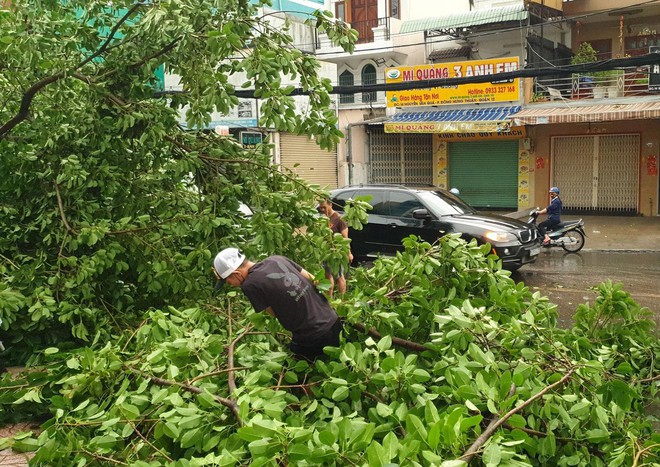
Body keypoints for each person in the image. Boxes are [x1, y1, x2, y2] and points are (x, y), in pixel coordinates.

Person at [212, 248, 342, 361]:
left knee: (303, 378)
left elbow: (274, 313)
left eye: (229, 282)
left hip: (311, 335)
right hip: (333, 319)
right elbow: (316, 280)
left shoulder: (249, 285)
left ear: (236, 274)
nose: (232, 285)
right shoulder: (277, 259)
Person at [317, 199, 353, 296]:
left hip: (337, 253)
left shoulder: (339, 219)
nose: (323, 209)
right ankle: (330, 300)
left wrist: (349, 253)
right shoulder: (324, 219)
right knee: (327, 275)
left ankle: (342, 299)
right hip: (327, 253)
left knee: (339, 276)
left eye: (324, 207)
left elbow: (345, 238)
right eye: (321, 208)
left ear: (330, 205)